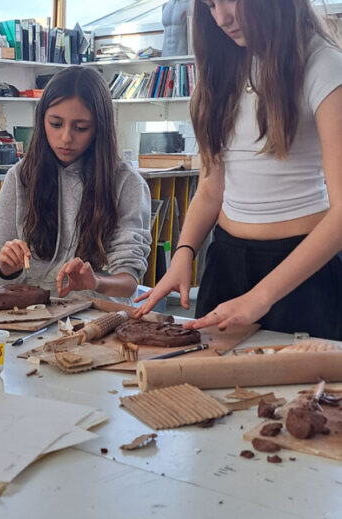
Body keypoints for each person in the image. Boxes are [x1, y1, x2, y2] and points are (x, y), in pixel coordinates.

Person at [136, 0, 342, 340]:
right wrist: (184, 253)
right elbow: (210, 190)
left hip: (303, 272)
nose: (220, 19)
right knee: (202, 391)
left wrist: (259, 297)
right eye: (210, 5)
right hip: (225, 263)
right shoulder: (222, 67)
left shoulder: (324, 66)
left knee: (297, 394)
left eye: (229, 0)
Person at [0, 66, 151, 301]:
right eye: (55, 124)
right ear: (42, 121)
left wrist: (96, 282)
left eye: (81, 127)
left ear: (99, 128)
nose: (66, 138)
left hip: (97, 317)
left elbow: (128, 283)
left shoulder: (127, 184)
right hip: (30, 314)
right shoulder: (21, 176)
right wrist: (4, 268)